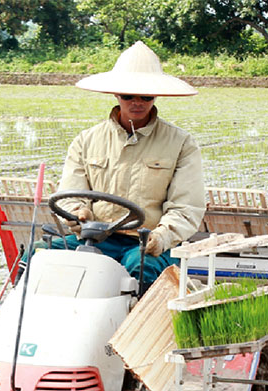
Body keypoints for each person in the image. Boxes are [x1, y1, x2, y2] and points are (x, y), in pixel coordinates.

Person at [53, 41, 206, 283]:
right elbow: (71, 193)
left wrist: (162, 237)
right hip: (96, 237)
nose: (137, 102)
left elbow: (187, 207)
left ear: (156, 96)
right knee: (41, 255)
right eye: (128, 95)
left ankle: (139, 318)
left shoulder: (181, 143)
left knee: (140, 268)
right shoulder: (86, 140)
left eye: (145, 96)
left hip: (146, 241)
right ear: (116, 94)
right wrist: (77, 213)